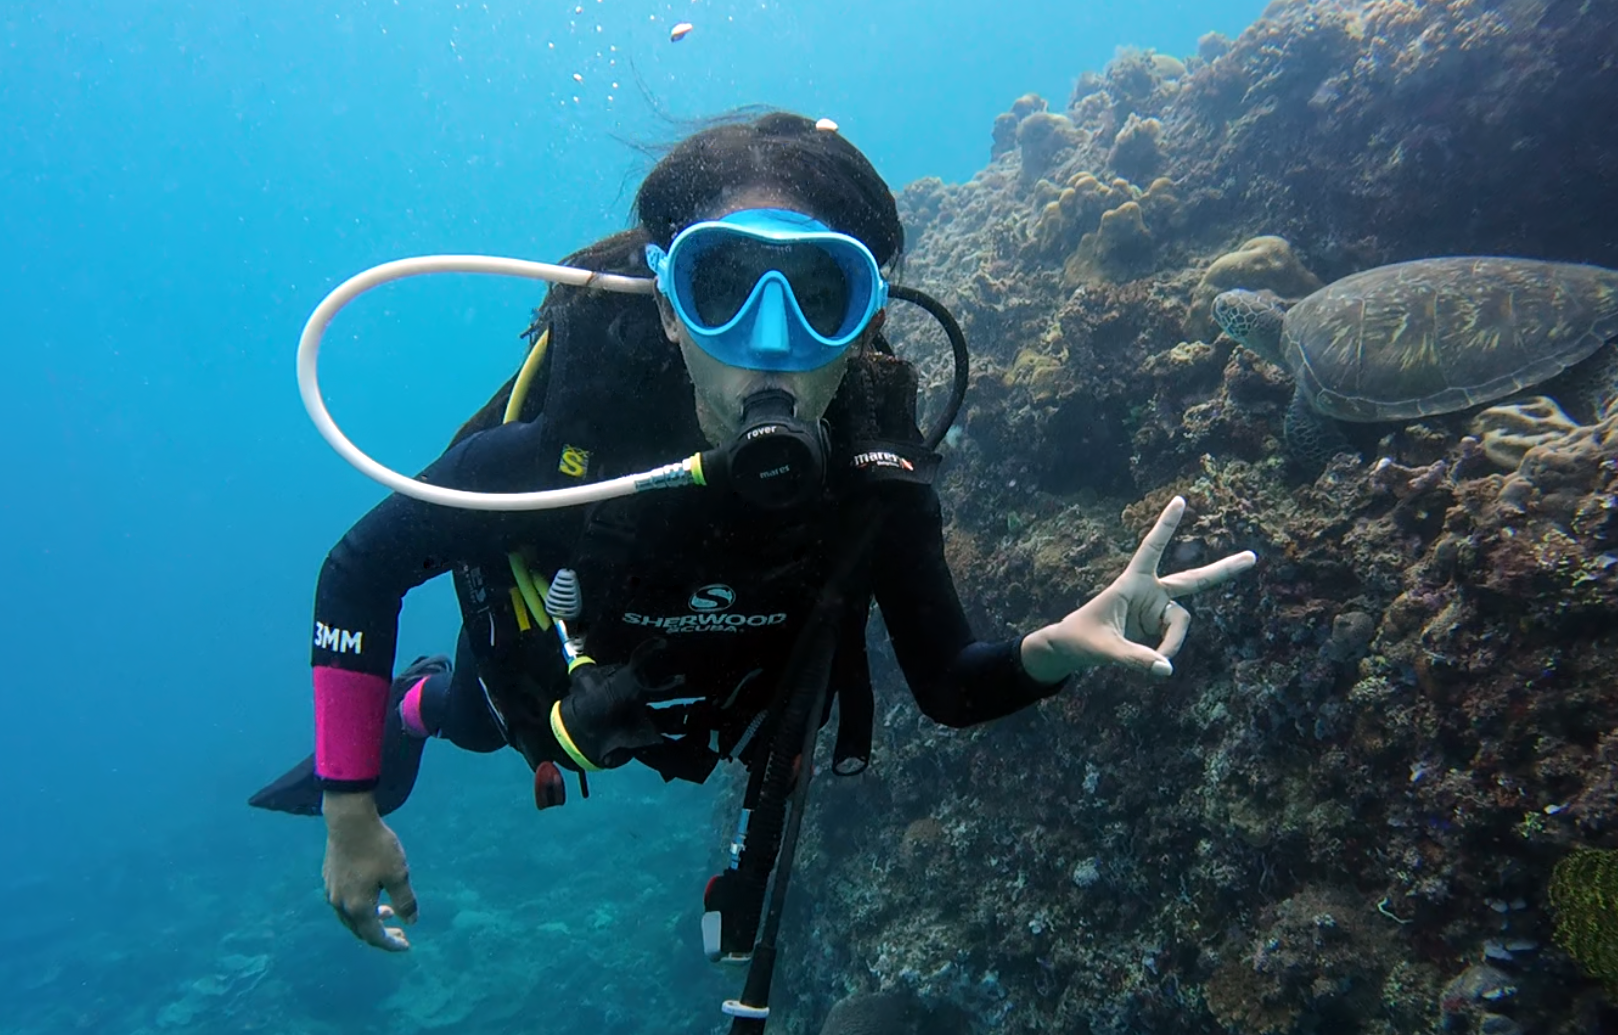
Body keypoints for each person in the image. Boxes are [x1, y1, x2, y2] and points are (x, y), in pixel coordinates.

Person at [253, 111, 1255, 956]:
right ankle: (418, 705)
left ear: (865, 322)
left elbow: (950, 684)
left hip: (720, 701)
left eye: (820, 296)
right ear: (670, 309)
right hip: (565, 660)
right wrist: (351, 810)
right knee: (473, 711)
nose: (770, 341)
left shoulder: (873, 479)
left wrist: (1055, 648)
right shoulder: (562, 456)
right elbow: (358, 573)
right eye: (723, 286)